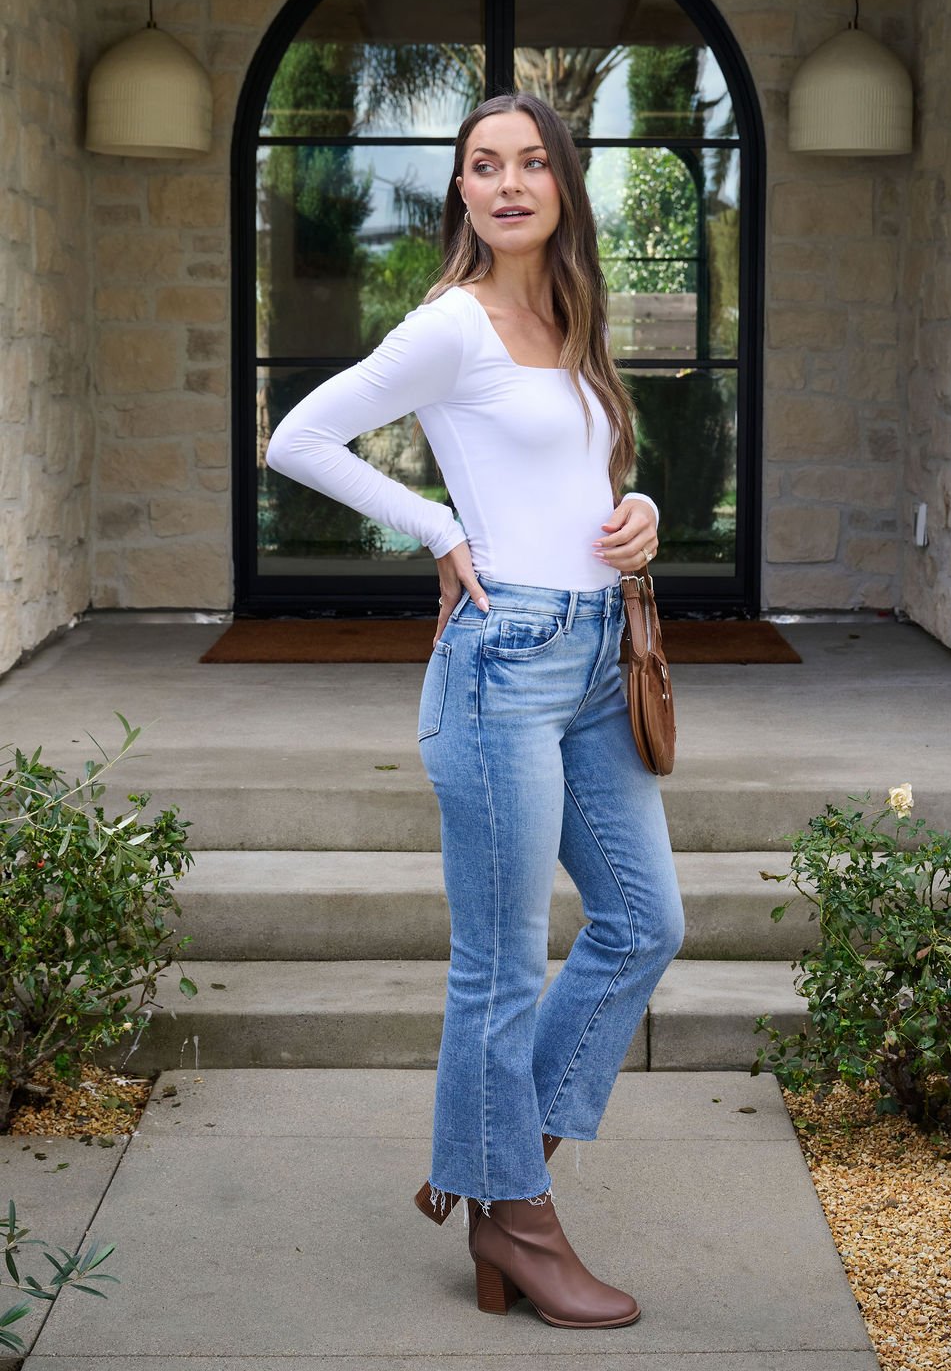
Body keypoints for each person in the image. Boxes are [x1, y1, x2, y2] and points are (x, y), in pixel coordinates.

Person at [265, 90, 685, 1330]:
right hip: (501, 664)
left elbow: (578, 474)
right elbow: (301, 436)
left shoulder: (571, 315)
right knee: (501, 968)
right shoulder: (450, 324)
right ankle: (520, 1219)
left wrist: (642, 512)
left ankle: (498, 1177)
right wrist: (441, 529)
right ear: (462, 192)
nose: (506, 184)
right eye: (480, 166)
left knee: (642, 923)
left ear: (563, 183)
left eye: (530, 163)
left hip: (599, 654)